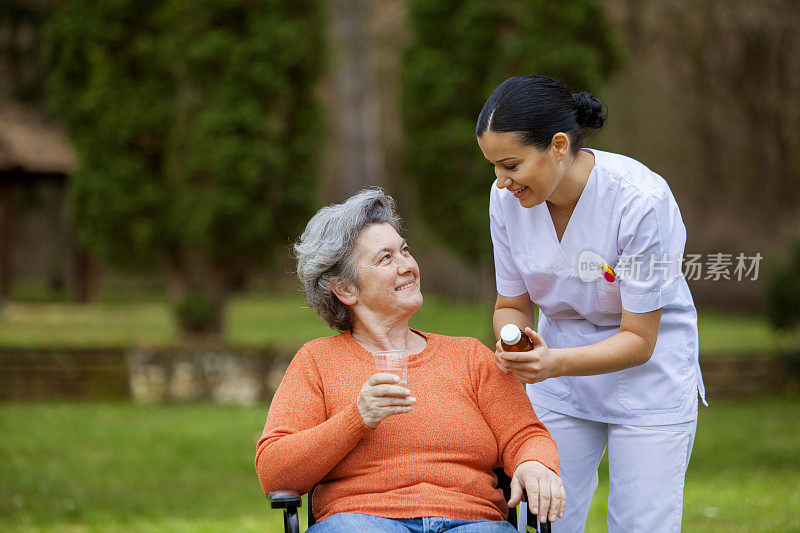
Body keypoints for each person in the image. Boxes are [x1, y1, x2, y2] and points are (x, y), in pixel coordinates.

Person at [256, 188, 565, 532]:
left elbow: (525, 435)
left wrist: (535, 463)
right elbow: (275, 472)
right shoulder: (318, 361)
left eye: (404, 250)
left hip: (471, 520)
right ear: (345, 289)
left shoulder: (470, 356)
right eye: (386, 258)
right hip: (363, 521)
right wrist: (356, 419)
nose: (407, 266)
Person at [475, 75, 706, 533]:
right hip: (558, 379)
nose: (501, 182)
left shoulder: (641, 201)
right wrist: (514, 340)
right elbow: (511, 303)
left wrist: (552, 362)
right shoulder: (505, 202)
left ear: (558, 145)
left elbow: (639, 340)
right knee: (544, 519)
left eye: (511, 165)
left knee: (641, 524)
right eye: (494, 167)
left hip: (645, 377)